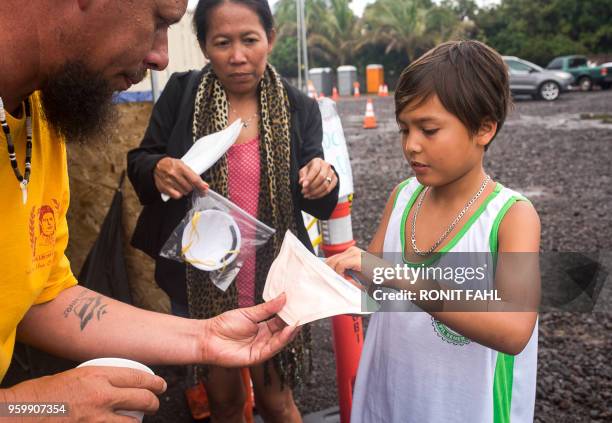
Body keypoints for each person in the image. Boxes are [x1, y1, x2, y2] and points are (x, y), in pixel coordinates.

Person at [0, 1, 298, 421]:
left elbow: (42, 298)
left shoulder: (42, 123)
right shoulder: (183, 91)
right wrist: (31, 408)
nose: (161, 56)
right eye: (159, 21)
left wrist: (205, 336)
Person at [127, 0, 339, 421]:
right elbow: (141, 161)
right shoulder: (182, 94)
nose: (237, 56)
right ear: (205, 46)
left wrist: (322, 178)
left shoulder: (299, 107)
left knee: (278, 402)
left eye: (250, 40)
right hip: (202, 278)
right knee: (225, 403)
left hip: (274, 278)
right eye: (222, 42)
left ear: (270, 39)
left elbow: (319, 198)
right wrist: (159, 169)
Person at [326, 40, 541, 422]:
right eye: (404, 129)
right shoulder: (404, 197)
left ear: (484, 128)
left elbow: (513, 329)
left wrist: (398, 276)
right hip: (391, 395)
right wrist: (326, 279)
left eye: (428, 130)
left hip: (465, 407)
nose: (411, 146)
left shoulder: (511, 217)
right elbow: (372, 286)